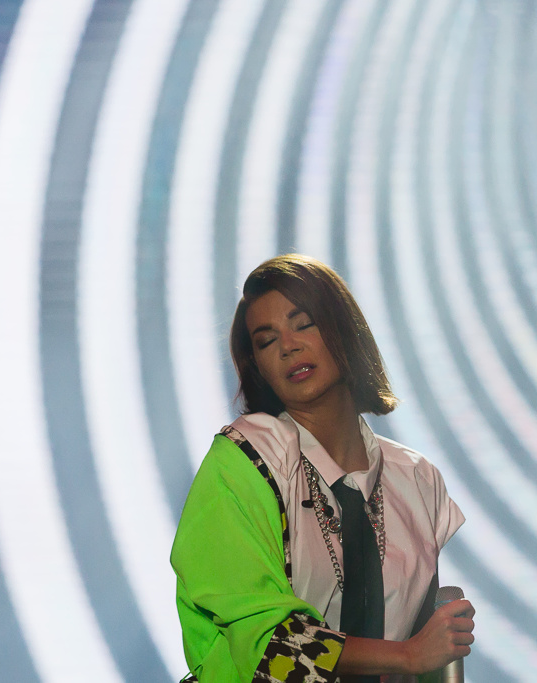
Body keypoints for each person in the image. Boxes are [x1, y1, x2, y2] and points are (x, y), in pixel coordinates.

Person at [171, 254, 474, 683]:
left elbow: (426, 652)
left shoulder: (418, 480)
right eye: (266, 340)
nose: (288, 346)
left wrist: (421, 655)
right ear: (257, 365)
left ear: (344, 328)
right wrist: (405, 655)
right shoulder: (244, 461)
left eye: (304, 323)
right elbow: (268, 648)